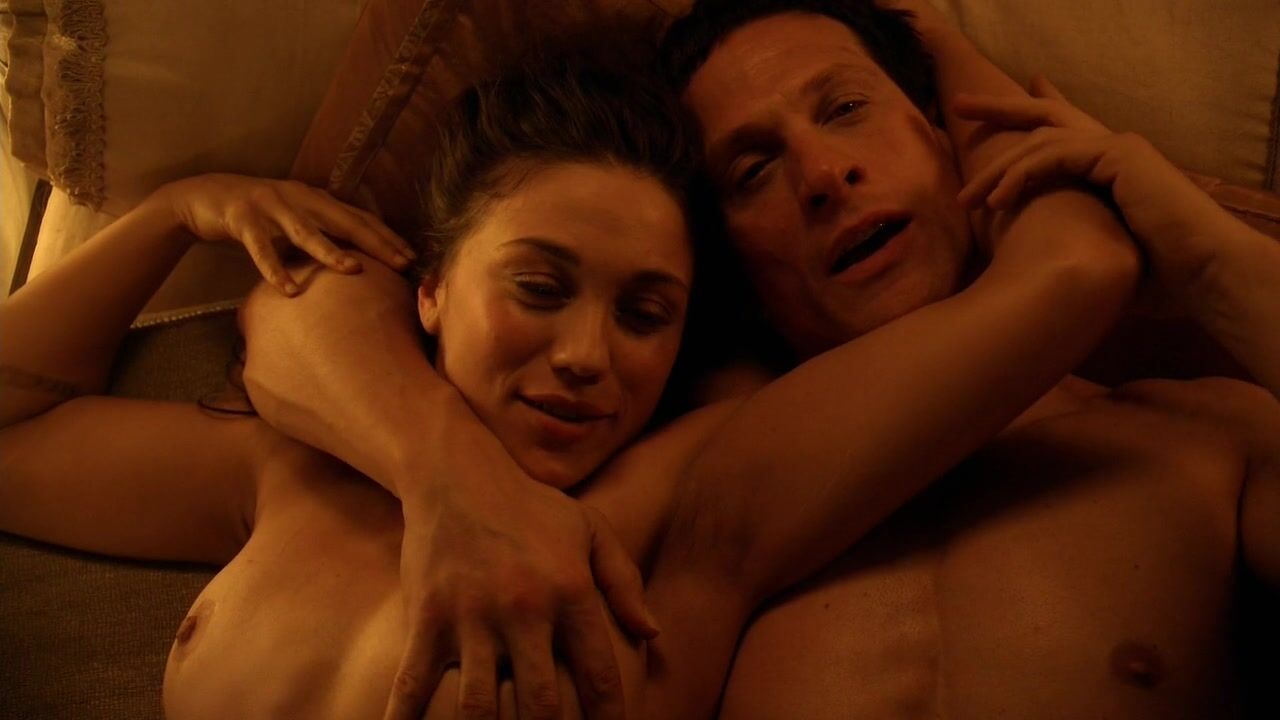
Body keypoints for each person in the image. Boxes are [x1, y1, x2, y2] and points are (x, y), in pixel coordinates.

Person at [0, 41, 1139, 720]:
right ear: (430, 287)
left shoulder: (696, 495)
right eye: (540, 287)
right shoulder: (292, 471)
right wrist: (175, 212)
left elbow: (1071, 275)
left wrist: (933, 50)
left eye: (645, 314)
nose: (590, 355)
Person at [238, 0, 1280, 718]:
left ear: (946, 136)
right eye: (751, 168)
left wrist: (1209, 255)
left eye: (845, 108)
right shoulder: (667, 459)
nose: (821, 174)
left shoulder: (1198, 438)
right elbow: (314, 313)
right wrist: (446, 473)